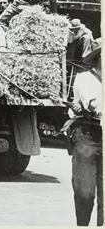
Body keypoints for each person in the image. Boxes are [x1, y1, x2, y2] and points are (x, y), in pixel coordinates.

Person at [64, 38, 102, 226]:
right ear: (100, 56)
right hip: (88, 137)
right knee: (85, 192)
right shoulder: (84, 78)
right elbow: (96, 106)